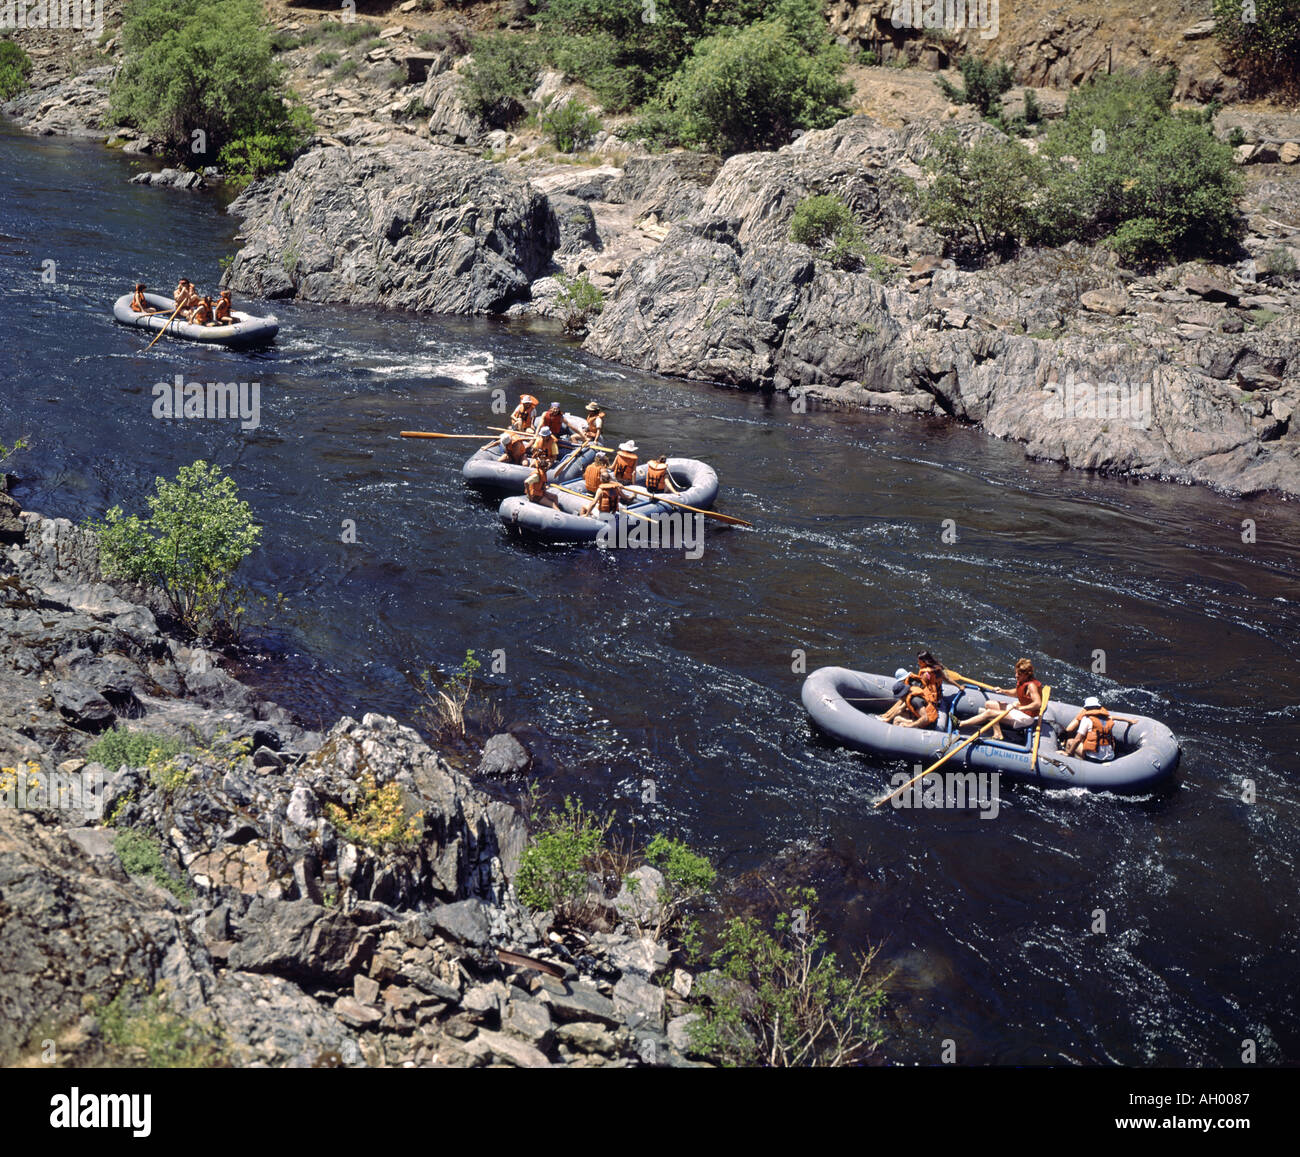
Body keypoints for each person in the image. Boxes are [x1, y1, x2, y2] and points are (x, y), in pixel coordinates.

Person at [957, 658, 1043, 741]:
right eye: (1016, 673)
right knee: (989, 704)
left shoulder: (1031, 686)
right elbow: (1017, 692)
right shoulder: (1023, 681)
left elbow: (1038, 704)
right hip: (1019, 710)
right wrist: (1003, 690)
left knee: (989, 713)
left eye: (1019, 674)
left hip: (1025, 717)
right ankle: (998, 733)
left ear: (1027, 674)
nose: (1016, 676)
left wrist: (1020, 708)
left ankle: (960, 723)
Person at [1063, 696, 1116, 761]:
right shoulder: (1108, 719)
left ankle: (1070, 761)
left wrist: (1069, 753)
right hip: (1110, 757)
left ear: (1086, 708)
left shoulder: (1087, 719)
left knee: (1070, 742)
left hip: (1093, 758)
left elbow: (1077, 740)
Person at [892, 664, 942, 729]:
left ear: (902, 695)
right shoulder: (911, 695)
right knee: (900, 716)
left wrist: (910, 725)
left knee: (897, 720)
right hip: (922, 718)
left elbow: (925, 718)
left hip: (928, 724)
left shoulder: (915, 700)